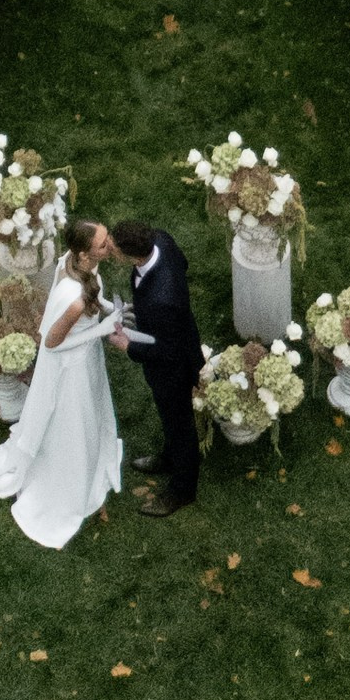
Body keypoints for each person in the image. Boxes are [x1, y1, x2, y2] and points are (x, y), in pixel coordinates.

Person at [0, 217, 124, 553]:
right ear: (84, 252)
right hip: (72, 367)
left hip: (84, 358)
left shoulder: (71, 263)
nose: (109, 245)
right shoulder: (73, 298)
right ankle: (70, 480)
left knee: (91, 411)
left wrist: (109, 308)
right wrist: (103, 330)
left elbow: (94, 298)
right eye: (102, 243)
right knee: (77, 420)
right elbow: (52, 343)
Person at [106, 213, 203, 517]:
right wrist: (144, 312)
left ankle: (182, 489)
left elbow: (168, 352)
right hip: (171, 331)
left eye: (113, 249)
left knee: (180, 423)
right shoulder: (160, 239)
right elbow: (182, 263)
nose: (109, 250)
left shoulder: (164, 297)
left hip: (173, 368)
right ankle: (170, 457)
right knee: (170, 419)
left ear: (130, 256)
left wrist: (128, 345)